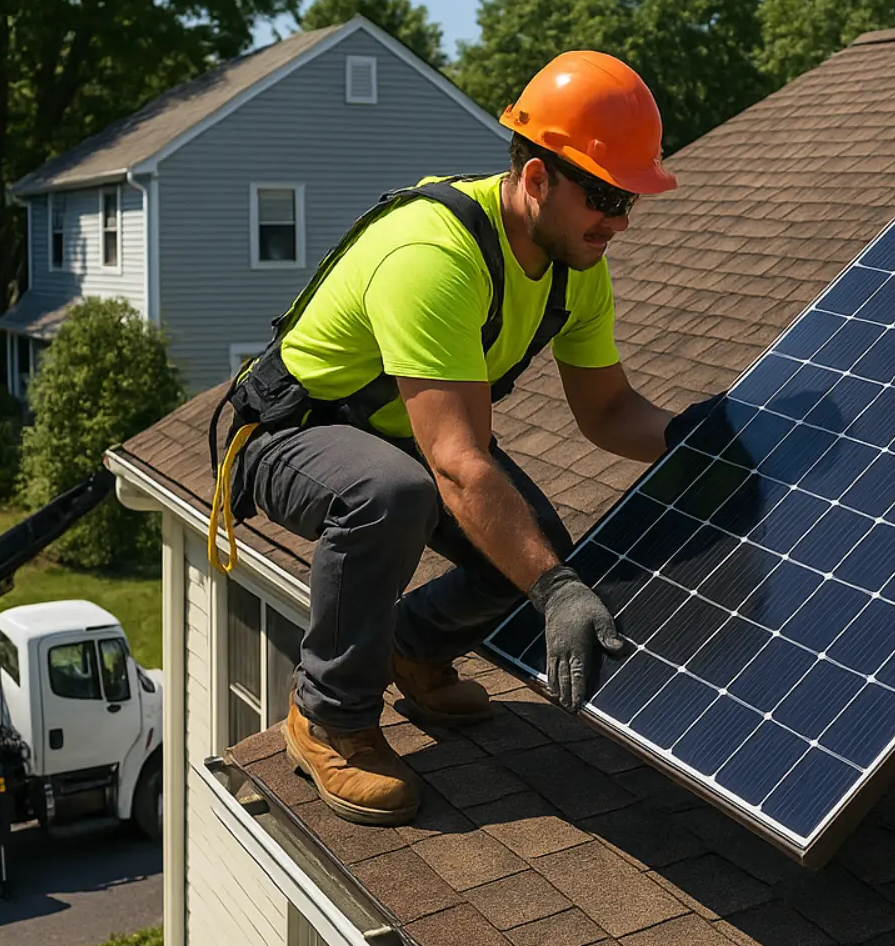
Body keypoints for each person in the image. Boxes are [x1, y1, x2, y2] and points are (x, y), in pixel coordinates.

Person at [208, 51, 713, 826]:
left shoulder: (578, 267)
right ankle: (328, 718)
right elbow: (453, 462)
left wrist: (695, 439)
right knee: (398, 496)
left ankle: (414, 646)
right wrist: (555, 591)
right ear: (538, 179)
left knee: (537, 539)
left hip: (399, 434)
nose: (617, 222)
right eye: (605, 196)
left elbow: (608, 412)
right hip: (291, 434)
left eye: (630, 203)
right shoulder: (435, 256)